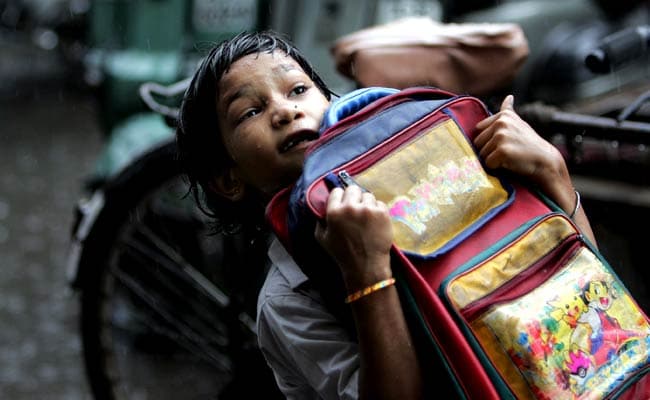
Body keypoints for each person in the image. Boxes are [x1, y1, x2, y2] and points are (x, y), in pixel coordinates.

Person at [175, 30, 597, 400]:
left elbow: (590, 294)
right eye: (250, 111)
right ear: (228, 179)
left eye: (298, 90)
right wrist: (367, 274)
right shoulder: (289, 301)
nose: (284, 111)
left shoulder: (429, 175)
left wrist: (553, 175)